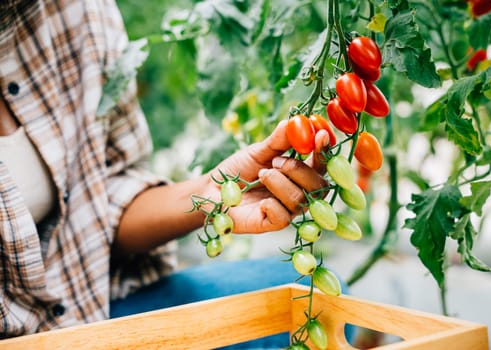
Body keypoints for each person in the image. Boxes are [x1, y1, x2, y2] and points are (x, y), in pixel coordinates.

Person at [0, 0, 337, 347]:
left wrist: (211, 193)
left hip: (85, 308)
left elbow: (100, 198)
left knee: (316, 300)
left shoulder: (78, 10)